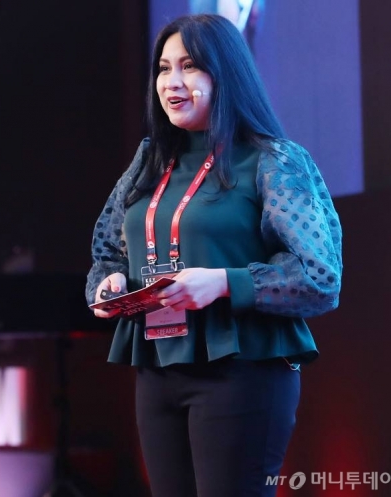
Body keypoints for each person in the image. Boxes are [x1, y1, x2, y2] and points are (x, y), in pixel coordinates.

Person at [85, 14, 342, 497]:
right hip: (158, 370)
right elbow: (107, 255)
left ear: (226, 74)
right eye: (164, 68)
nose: (172, 82)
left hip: (242, 371)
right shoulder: (149, 161)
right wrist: (110, 284)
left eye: (189, 66)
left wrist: (223, 282)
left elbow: (319, 276)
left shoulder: (272, 159)